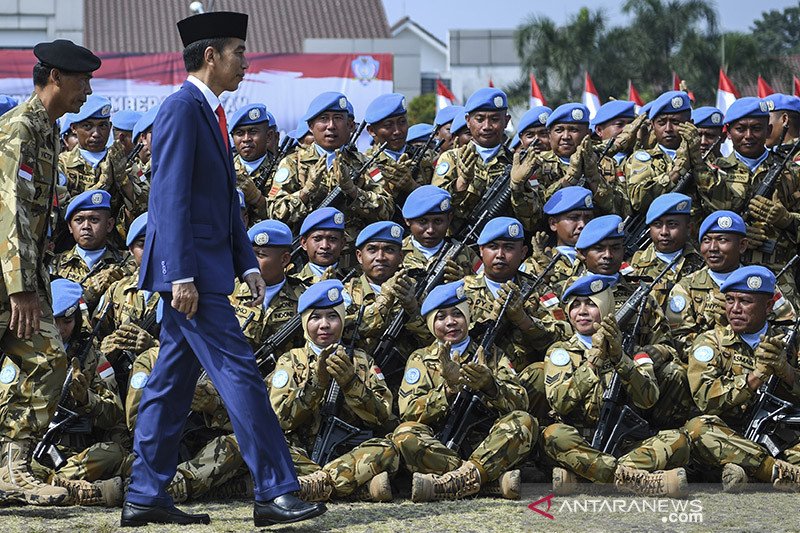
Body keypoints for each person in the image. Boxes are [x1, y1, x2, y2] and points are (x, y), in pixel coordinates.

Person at [124, 11, 324, 527]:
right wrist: (180, 275)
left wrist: (245, 263)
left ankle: (145, 494)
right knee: (242, 378)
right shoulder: (181, 109)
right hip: (193, 278)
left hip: (208, 270)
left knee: (169, 386)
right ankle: (274, 491)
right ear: (210, 56)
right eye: (238, 51)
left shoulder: (208, 112)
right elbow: (167, 198)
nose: (246, 60)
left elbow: (224, 203)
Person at [0, 37, 100, 505]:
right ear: (55, 78)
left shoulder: (51, 130)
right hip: (8, 281)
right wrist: (21, 289)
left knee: (47, 360)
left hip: (24, 279)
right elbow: (11, 211)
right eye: (82, 81)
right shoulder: (20, 128)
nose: (88, 91)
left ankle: (12, 468)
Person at [541, 274, 689, 498]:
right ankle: (631, 479)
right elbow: (559, 403)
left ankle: (588, 479)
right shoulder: (560, 352)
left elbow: (648, 399)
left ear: (607, 307)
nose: (581, 311)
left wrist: (621, 359)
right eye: (575, 305)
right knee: (552, 435)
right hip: (579, 444)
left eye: (591, 304)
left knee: (679, 441)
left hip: (624, 445)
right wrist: (592, 364)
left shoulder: (634, 350)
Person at [391, 280, 536, 502]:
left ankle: (455, 481)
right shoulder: (420, 358)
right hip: (441, 445)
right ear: (430, 323)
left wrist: (491, 386)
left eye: (457, 314)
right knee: (404, 434)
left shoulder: (491, 354)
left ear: (467, 317)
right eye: (441, 317)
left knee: (525, 421)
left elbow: (520, 402)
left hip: (486, 445)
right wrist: (447, 391)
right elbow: (409, 412)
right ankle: (481, 479)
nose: (450, 322)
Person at [266, 279, 399, 502]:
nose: (324, 325)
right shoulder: (290, 360)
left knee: (389, 448)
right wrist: (317, 383)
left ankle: (314, 486)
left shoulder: (361, 360)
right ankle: (346, 487)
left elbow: (383, 416)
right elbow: (280, 419)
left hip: (348, 457)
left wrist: (351, 383)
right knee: (265, 442)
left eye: (332, 316)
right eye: (315, 317)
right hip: (300, 455)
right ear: (304, 322)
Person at [685, 265, 800, 491]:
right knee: (697, 428)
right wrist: (756, 377)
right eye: (729, 300)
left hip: (781, 436)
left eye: (745, 301)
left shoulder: (789, 341)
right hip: (730, 435)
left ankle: (750, 473)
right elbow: (705, 399)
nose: (735, 309)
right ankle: (775, 471)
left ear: (768, 306)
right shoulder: (709, 342)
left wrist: (785, 370)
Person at [432, 88, 541, 232]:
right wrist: (461, 184)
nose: (487, 126)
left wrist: (518, 187)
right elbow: (435, 211)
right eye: (480, 119)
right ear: (468, 121)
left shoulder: (518, 163)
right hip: (459, 248)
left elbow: (532, 222)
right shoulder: (451, 159)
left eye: (495, 119)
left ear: (506, 121)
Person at [51, 190, 130, 313]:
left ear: (109, 225)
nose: (86, 226)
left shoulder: (127, 262)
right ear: (70, 227)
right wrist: (90, 292)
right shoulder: (54, 263)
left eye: (94, 220)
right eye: (79, 220)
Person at [630, 192, 704, 308]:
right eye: (657, 225)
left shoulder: (703, 264)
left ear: (688, 228)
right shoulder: (633, 267)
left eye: (672, 224)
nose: (664, 232)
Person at [230, 103, 278, 221]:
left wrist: (258, 199)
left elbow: (289, 216)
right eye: (239, 133)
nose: (246, 139)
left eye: (253, 132)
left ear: (268, 136)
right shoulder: (225, 169)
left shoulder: (283, 168)